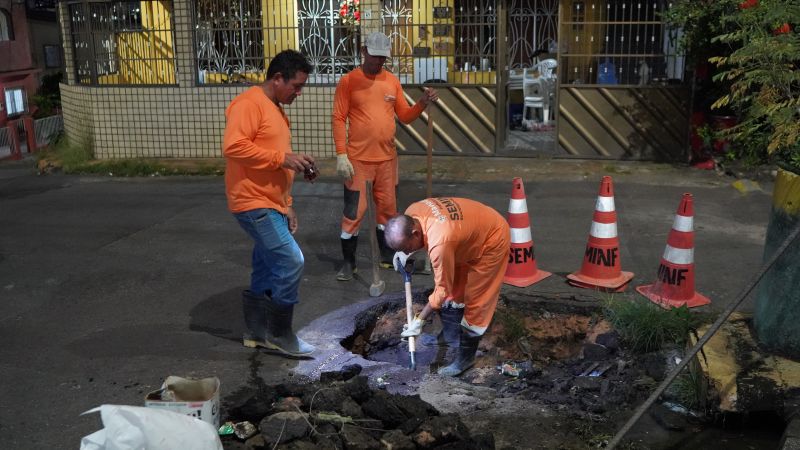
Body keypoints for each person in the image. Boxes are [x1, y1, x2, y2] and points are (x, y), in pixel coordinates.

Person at [222, 49, 317, 358]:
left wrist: (287, 202)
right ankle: (280, 333)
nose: (298, 93)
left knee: (265, 265)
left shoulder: (274, 106)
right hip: (253, 202)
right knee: (291, 261)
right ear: (278, 78)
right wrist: (283, 158)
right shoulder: (249, 103)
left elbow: (273, 155)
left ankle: (257, 332)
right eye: (296, 86)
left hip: (269, 202)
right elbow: (234, 146)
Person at [332, 31, 439, 281]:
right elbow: (338, 118)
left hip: (387, 161)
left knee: (388, 212)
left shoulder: (392, 81)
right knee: (353, 213)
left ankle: (385, 255)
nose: (379, 62)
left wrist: (422, 103)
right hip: (357, 161)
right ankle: (349, 263)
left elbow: (405, 116)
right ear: (363, 51)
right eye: (375, 56)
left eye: (383, 58)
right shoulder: (348, 81)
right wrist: (340, 154)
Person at [384, 197, 510, 376]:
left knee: (477, 300)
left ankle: (465, 360)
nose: (405, 252)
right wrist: (404, 253)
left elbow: (441, 290)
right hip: (465, 234)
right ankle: (450, 337)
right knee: (456, 290)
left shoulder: (440, 244)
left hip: (492, 238)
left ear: (415, 233)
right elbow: (448, 288)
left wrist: (419, 321)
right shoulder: (413, 211)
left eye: (406, 248)